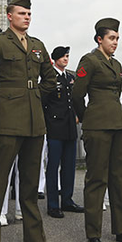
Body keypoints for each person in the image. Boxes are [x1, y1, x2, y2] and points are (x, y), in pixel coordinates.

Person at [0, 0, 57, 242]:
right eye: (21, 13)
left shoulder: (38, 45)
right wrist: (2, 101)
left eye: (29, 13)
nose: (27, 17)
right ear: (10, 16)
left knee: (30, 187)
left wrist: (35, 96)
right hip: (7, 121)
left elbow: (50, 80)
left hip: (34, 122)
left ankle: (34, 239)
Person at [71, 18, 122, 242]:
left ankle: (121, 229)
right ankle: (93, 234)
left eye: (117, 38)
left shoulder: (117, 64)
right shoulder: (89, 61)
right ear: (99, 39)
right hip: (97, 127)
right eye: (112, 38)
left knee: (118, 178)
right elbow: (76, 95)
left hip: (118, 127)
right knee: (96, 180)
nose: (115, 42)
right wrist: (87, 118)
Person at [43, 46, 83, 219]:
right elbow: (43, 102)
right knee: (53, 167)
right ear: (56, 58)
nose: (67, 58)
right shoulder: (49, 77)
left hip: (69, 127)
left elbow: (74, 100)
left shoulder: (70, 77)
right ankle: (53, 204)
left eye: (68, 56)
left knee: (68, 167)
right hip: (54, 126)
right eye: (64, 56)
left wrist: (77, 115)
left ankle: (67, 200)